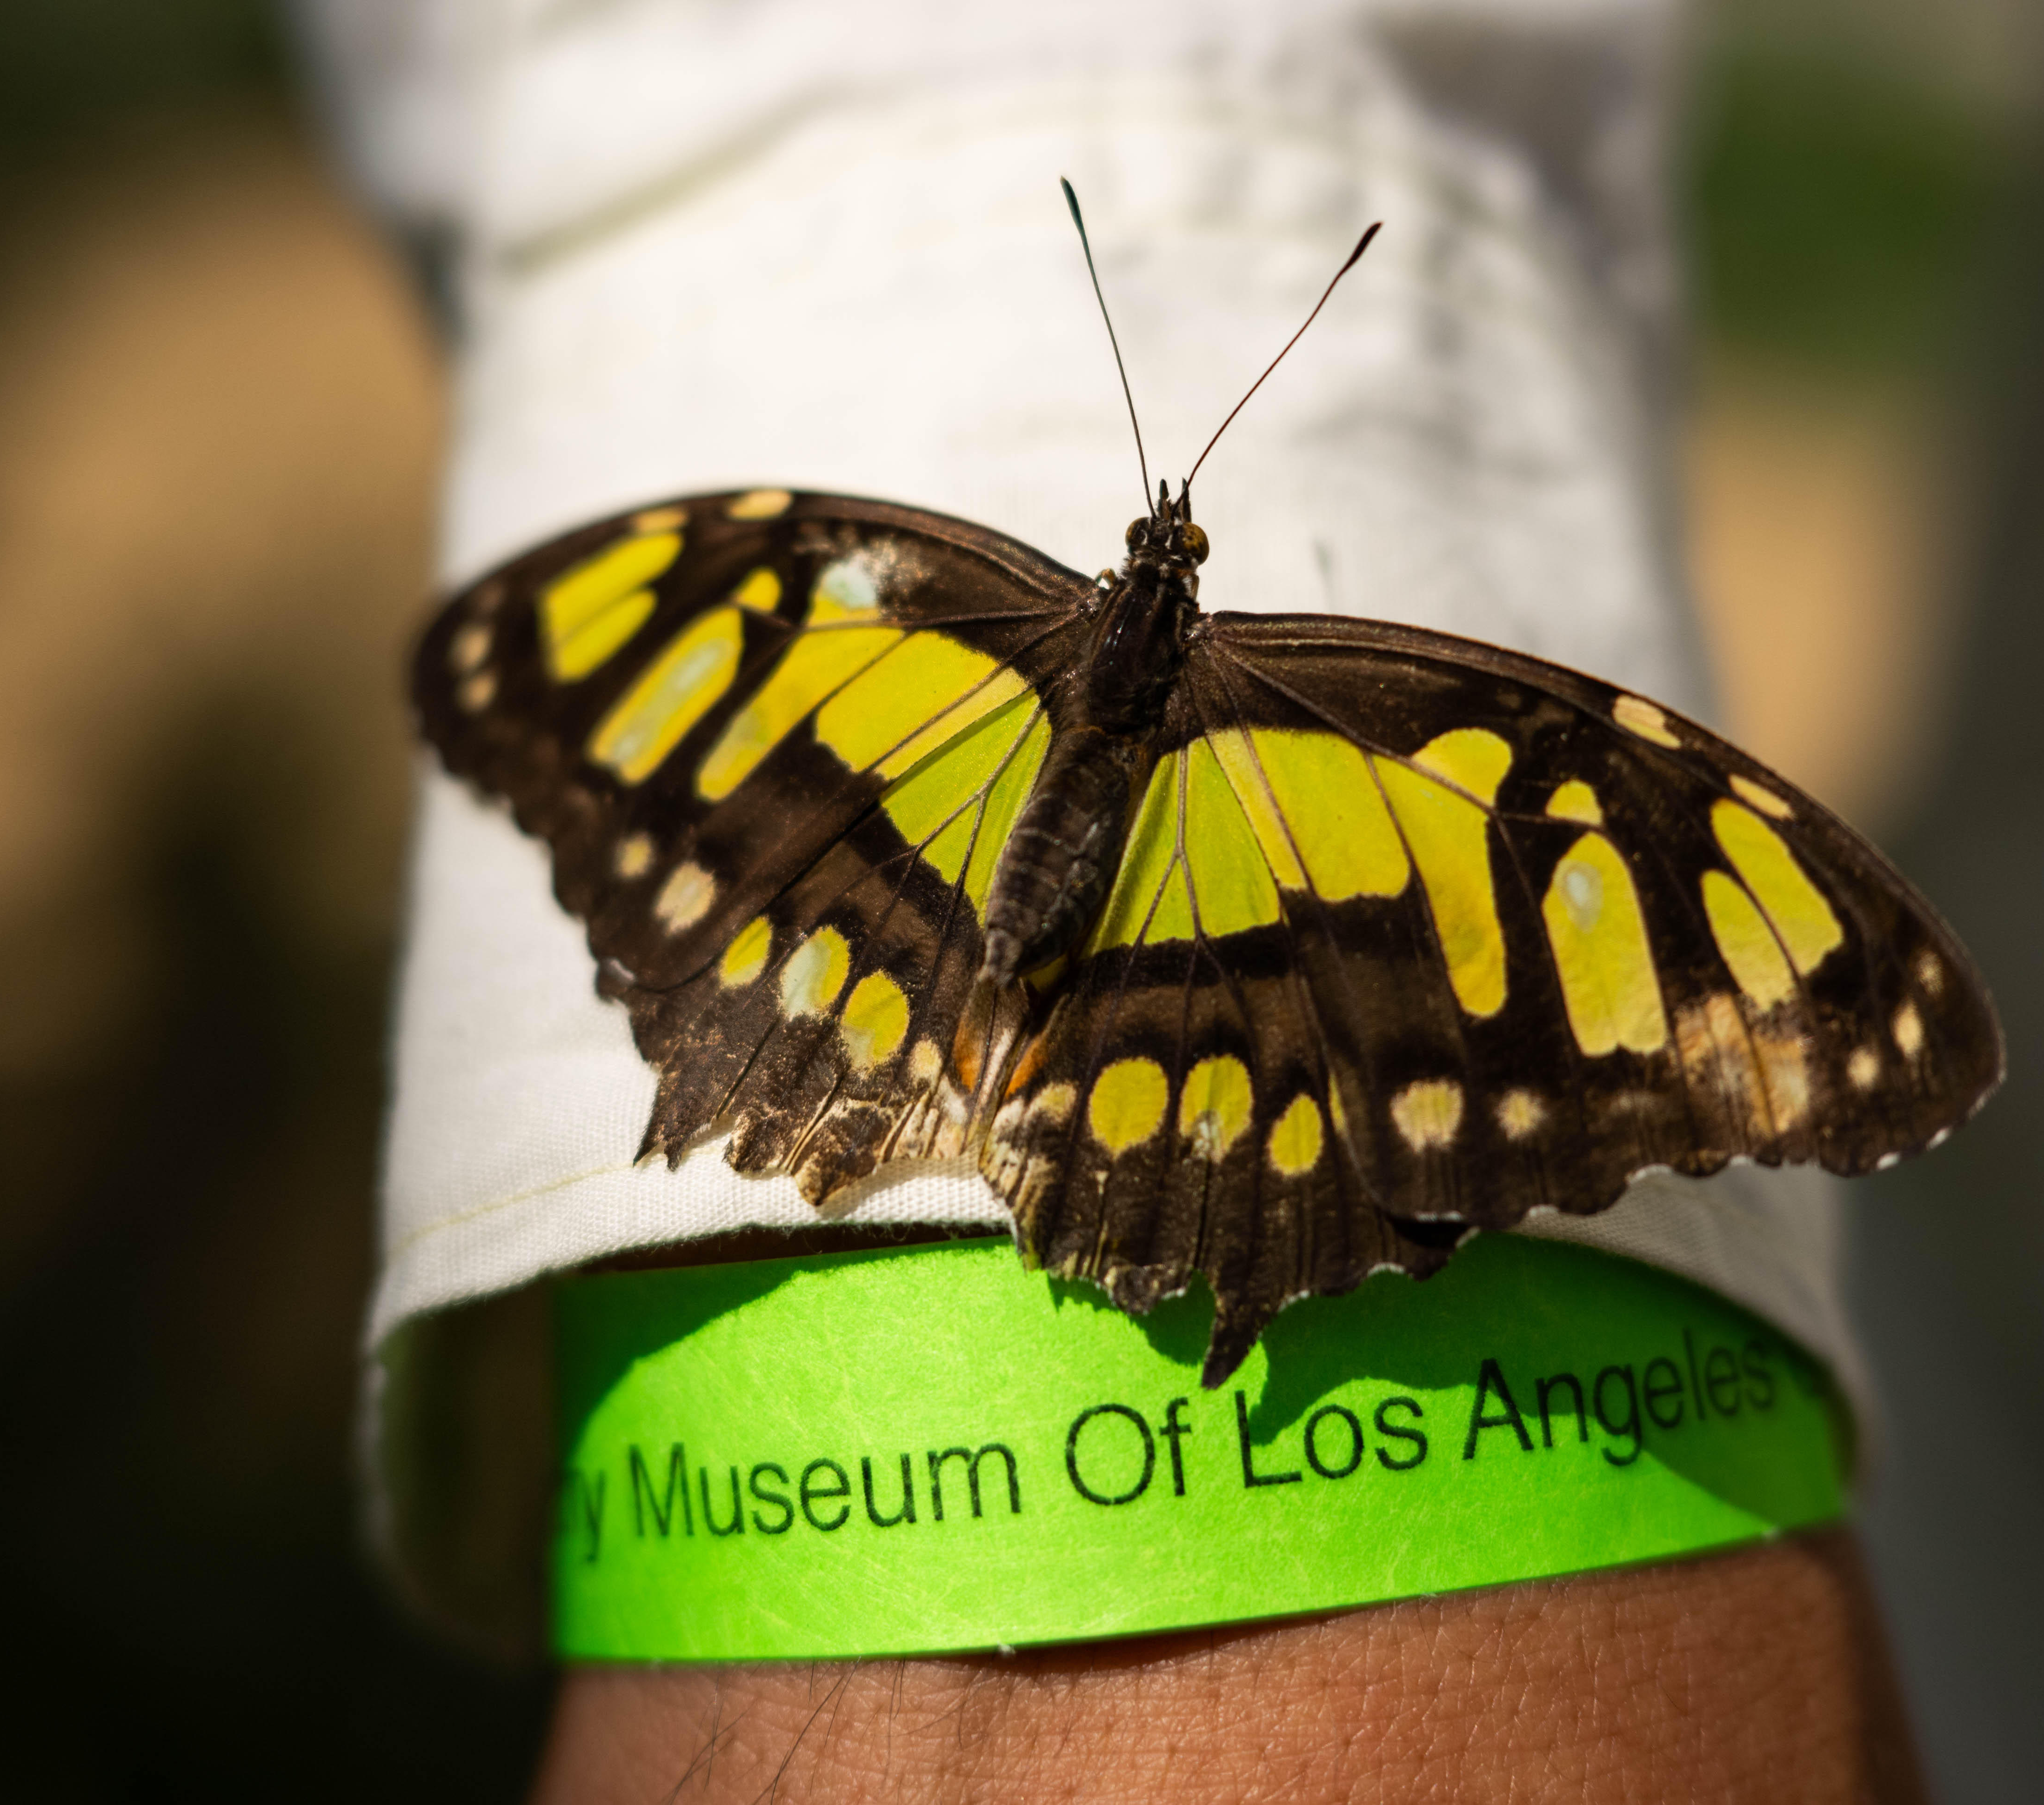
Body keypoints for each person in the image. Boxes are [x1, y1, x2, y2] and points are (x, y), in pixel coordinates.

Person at [297, 2, 1927, 1794]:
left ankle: (902, 1068)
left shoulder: (889, 598)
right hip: (1195, 1070)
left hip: (956, 919)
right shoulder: (1421, 742)